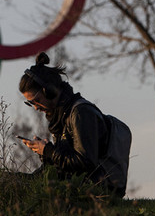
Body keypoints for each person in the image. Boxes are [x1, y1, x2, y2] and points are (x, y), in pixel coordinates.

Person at [18, 52, 124, 196]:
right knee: (13, 182)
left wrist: (49, 151)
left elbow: (85, 163)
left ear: (49, 91)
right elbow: (66, 165)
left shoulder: (81, 113)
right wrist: (44, 153)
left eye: (36, 100)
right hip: (76, 184)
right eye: (30, 103)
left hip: (98, 188)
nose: (36, 107)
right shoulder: (61, 117)